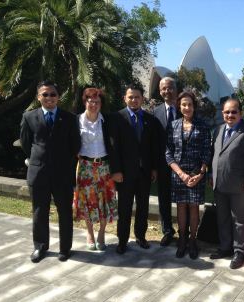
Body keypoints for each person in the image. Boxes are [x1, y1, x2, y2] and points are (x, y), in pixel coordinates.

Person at [20, 80, 81, 262]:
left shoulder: (70, 118)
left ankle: (65, 248)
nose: (49, 98)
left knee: (65, 212)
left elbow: (75, 145)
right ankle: (40, 247)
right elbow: (25, 144)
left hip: (62, 174)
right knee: (39, 211)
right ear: (39, 97)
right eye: (45, 94)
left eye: (52, 94)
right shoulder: (29, 117)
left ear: (58, 97)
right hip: (39, 173)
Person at [210, 98, 244, 269]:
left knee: (240, 220)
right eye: (227, 112)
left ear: (241, 113)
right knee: (222, 218)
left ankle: (240, 252)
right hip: (219, 184)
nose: (230, 115)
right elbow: (215, 155)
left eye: (234, 112)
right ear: (222, 113)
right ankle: (225, 247)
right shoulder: (218, 130)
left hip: (240, 185)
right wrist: (212, 174)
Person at [109, 84, 159, 254]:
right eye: (130, 97)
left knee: (143, 207)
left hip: (144, 173)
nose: (134, 100)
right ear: (125, 98)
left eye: (137, 97)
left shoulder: (149, 119)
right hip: (124, 173)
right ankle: (122, 240)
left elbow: (153, 147)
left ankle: (140, 236)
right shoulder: (117, 118)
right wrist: (115, 171)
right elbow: (113, 147)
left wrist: (153, 168)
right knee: (124, 208)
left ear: (142, 99)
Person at [165, 91, 211, 259]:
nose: (187, 107)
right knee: (181, 207)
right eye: (183, 104)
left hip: (196, 173)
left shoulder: (203, 126)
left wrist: (200, 173)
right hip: (179, 174)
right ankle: (182, 239)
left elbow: (207, 151)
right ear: (179, 106)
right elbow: (168, 152)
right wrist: (180, 174)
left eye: (190, 104)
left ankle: (193, 240)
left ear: (194, 106)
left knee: (193, 208)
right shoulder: (173, 125)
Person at [73, 88, 117, 251]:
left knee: (105, 200)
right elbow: (70, 142)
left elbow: (115, 144)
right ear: (85, 102)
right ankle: (90, 233)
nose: (93, 104)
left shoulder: (107, 121)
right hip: (85, 167)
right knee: (87, 201)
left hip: (105, 167)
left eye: (97, 102)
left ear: (101, 104)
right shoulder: (76, 121)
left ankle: (102, 233)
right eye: (90, 101)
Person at [153, 77, 179, 246]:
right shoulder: (155, 112)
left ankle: (186, 231)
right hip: (162, 165)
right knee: (164, 199)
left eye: (169, 88)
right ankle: (167, 231)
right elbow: (153, 142)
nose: (166, 92)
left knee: (184, 199)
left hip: (184, 164)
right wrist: (154, 167)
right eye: (163, 89)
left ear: (175, 89)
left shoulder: (185, 108)